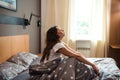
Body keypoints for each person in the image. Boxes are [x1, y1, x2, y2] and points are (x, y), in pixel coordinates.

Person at [31, 26, 99, 80]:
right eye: (60, 29)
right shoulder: (57, 45)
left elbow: (76, 53)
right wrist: (93, 65)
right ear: (56, 34)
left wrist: (89, 63)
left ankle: (88, 72)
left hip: (56, 65)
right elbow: (75, 56)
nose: (62, 30)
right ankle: (88, 73)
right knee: (72, 60)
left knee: (72, 59)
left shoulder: (61, 43)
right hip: (51, 68)